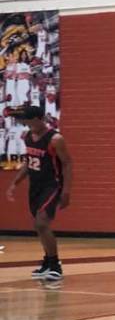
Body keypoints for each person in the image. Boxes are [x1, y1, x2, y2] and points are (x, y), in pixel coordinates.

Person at [4, 105, 72, 281]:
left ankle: (55, 265)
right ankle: (48, 262)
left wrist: (66, 191)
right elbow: (29, 162)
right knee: (39, 226)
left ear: (37, 119)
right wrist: (15, 183)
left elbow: (67, 164)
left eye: (25, 119)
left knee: (42, 223)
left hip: (52, 185)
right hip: (36, 186)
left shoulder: (55, 139)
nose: (22, 122)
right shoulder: (28, 137)